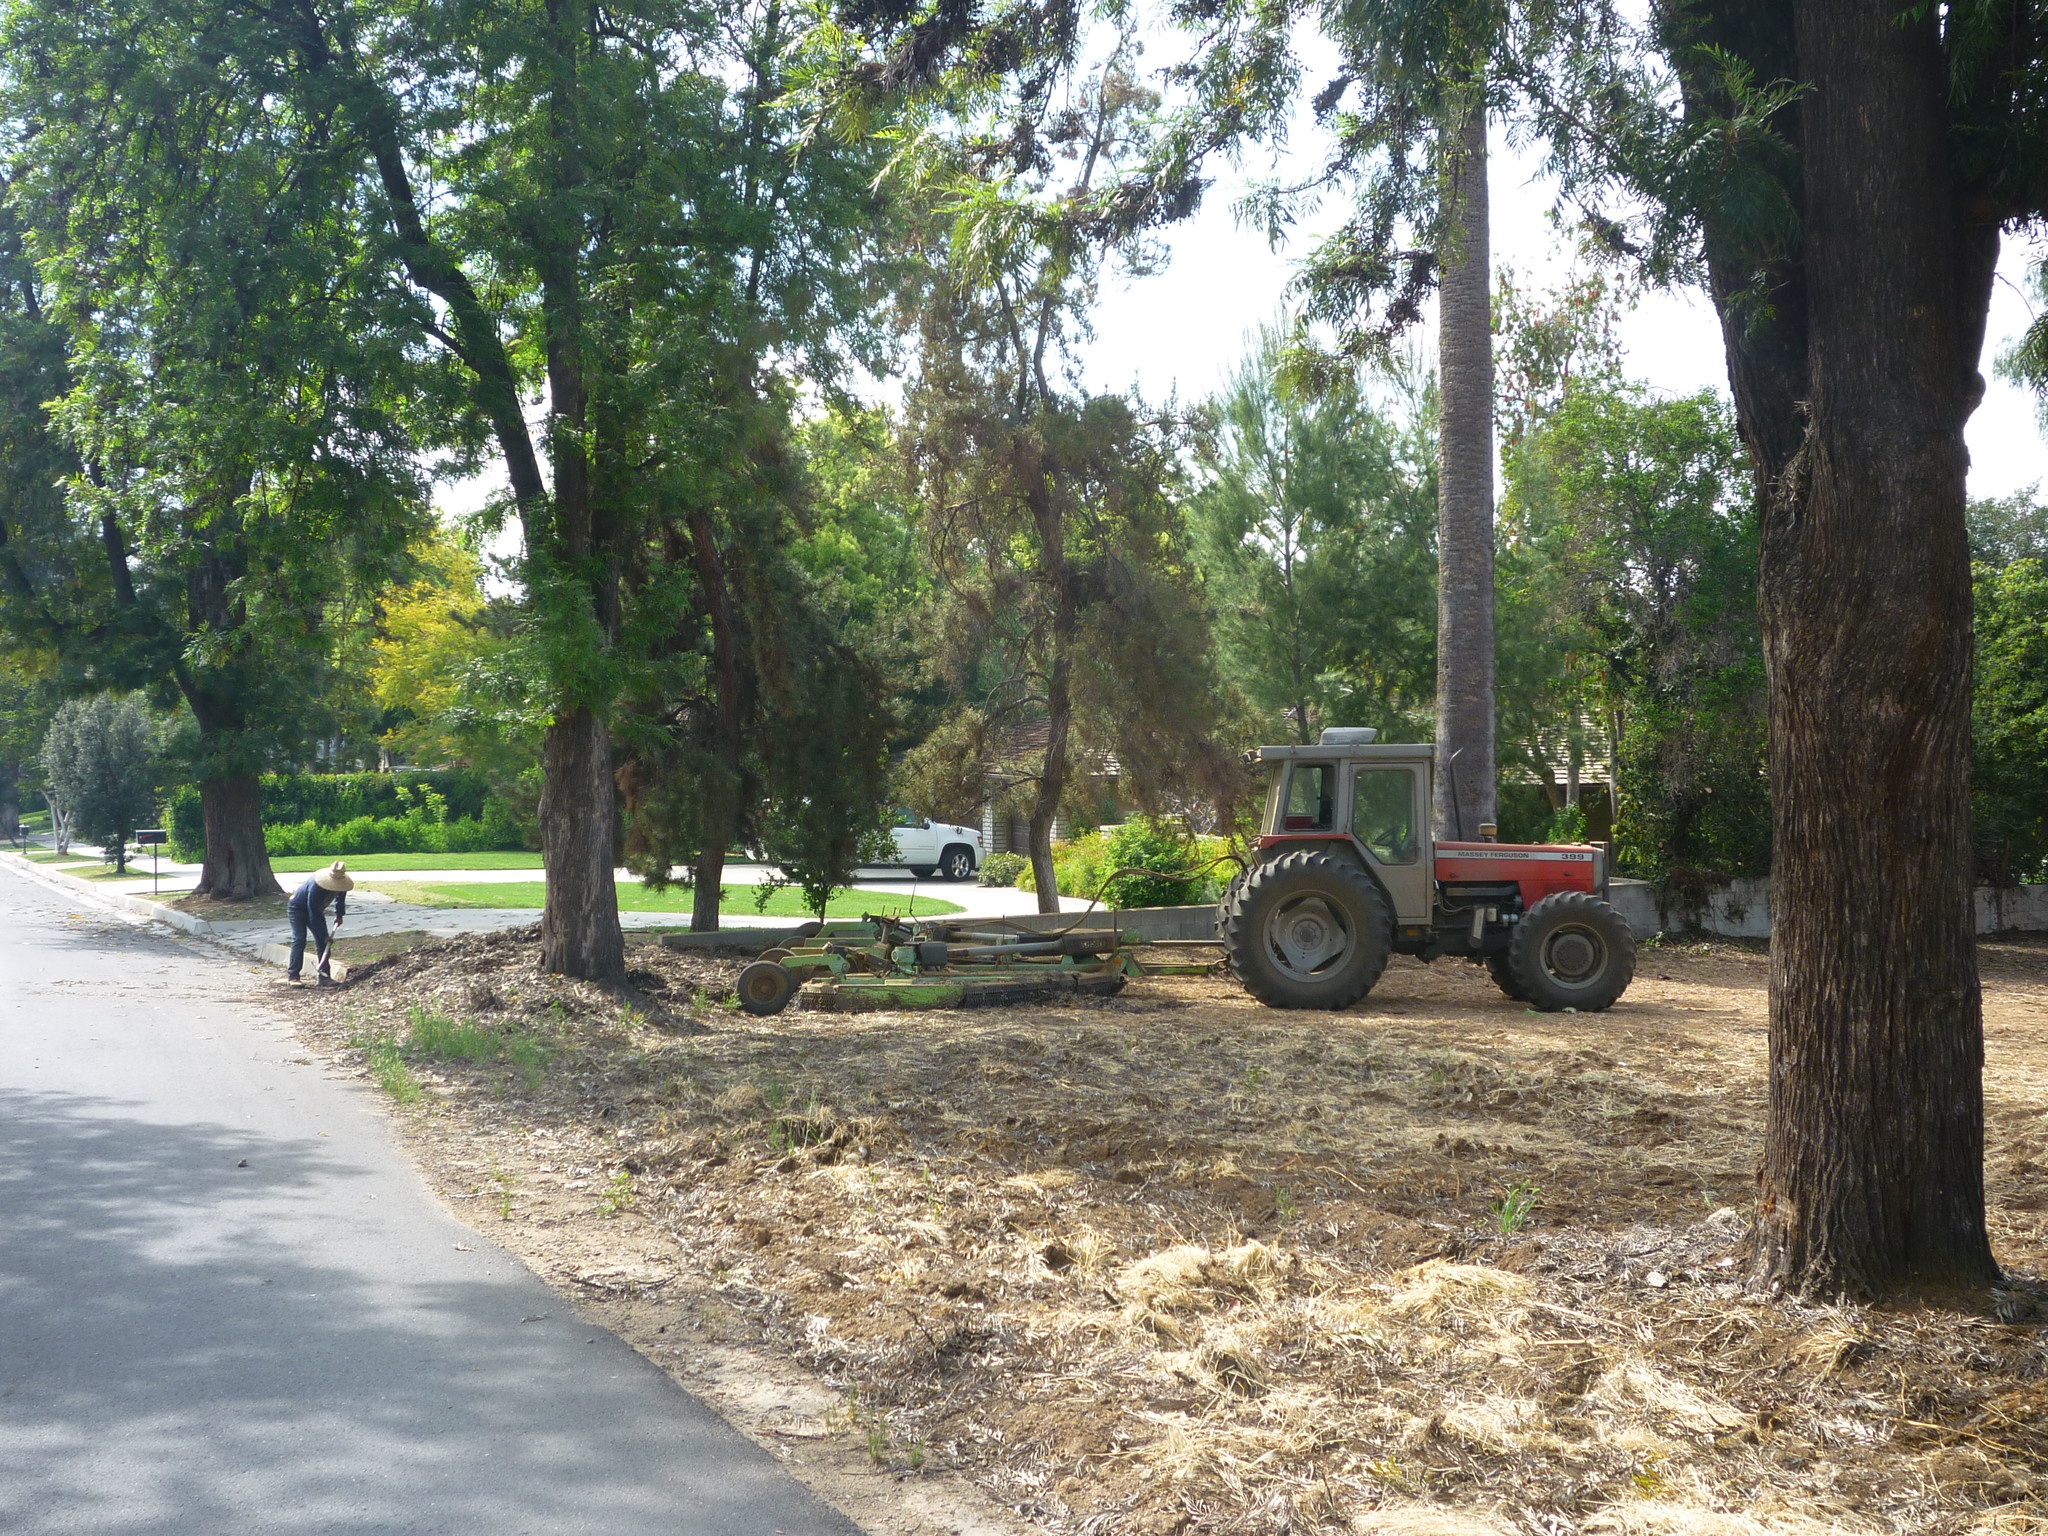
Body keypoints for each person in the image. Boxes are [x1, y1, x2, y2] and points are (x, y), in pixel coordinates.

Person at [286, 861, 353, 984]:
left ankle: (324, 976)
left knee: (322, 942)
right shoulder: (316, 886)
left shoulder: (342, 883)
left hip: (315, 910)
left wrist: (339, 915)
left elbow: (340, 899)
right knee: (299, 939)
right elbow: (314, 914)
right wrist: (324, 935)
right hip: (297, 908)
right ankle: (293, 976)